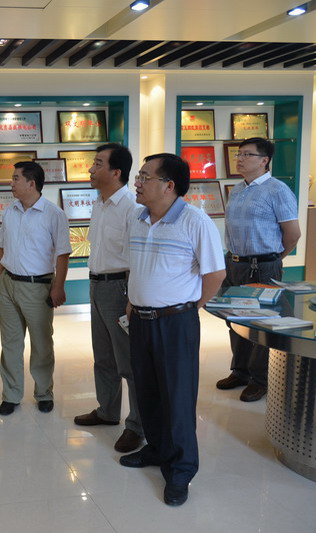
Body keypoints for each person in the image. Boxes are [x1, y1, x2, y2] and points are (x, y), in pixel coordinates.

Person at [120, 153, 225, 507]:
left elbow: (215, 274)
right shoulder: (137, 218)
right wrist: (134, 300)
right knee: (148, 391)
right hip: (141, 319)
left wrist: (191, 307)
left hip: (176, 322)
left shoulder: (195, 222)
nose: (137, 183)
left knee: (177, 397)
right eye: (138, 176)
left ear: (169, 185)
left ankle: (181, 469)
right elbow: (137, 267)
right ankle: (157, 448)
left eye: (144, 177)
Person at [216, 138, 300, 402]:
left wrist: (272, 260)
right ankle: (240, 371)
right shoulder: (237, 189)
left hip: (262, 267)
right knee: (234, 319)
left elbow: (293, 234)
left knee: (261, 322)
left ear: (264, 161)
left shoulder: (278, 190)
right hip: (235, 263)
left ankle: (260, 379)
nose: (239, 159)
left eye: (247, 154)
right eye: (238, 154)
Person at [73, 144, 144, 453]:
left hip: (120, 289)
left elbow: (137, 257)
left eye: (98, 163)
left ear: (116, 172)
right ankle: (107, 411)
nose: (90, 169)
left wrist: (133, 297)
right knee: (103, 357)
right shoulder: (100, 204)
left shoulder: (132, 206)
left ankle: (137, 426)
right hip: (97, 285)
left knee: (129, 362)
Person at [0, 161, 71, 415]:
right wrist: (1, 276)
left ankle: (43, 393)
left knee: (41, 345)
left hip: (37, 287)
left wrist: (58, 287)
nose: (11, 183)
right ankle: (11, 394)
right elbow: (2, 247)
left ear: (31, 183)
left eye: (15, 178)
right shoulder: (11, 211)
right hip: (9, 284)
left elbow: (62, 254)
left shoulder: (53, 214)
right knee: (10, 344)